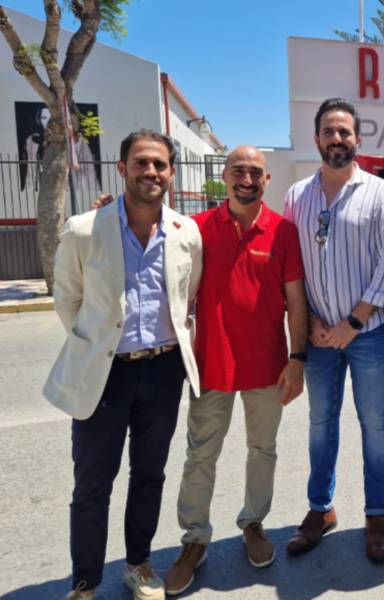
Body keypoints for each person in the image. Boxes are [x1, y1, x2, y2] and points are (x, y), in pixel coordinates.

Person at [44, 130, 203, 600]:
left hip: (164, 371)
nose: (150, 172)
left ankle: (138, 564)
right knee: (92, 484)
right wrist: (99, 345)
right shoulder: (83, 229)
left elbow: (188, 296)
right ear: (122, 168)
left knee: (149, 476)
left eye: (159, 164)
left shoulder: (186, 233)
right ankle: (85, 582)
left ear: (171, 172)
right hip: (105, 372)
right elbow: (67, 299)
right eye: (140, 163)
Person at [161, 146, 308, 593]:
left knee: (262, 449)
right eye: (238, 171)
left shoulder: (283, 231)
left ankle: (253, 523)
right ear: (224, 176)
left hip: (268, 366)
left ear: (267, 180)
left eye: (256, 173)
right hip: (211, 365)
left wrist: (297, 359)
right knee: (200, 455)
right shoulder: (196, 228)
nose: (247, 179)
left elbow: (296, 300)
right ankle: (194, 540)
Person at [283, 98, 384, 563]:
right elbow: (290, 266)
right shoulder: (297, 196)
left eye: (345, 131)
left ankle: (376, 514)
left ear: (357, 138)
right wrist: (312, 322)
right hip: (317, 337)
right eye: (329, 131)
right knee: (320, 423)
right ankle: (321, 509)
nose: (337, 139)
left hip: (367, 332)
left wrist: (352, 322)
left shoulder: (381, 193)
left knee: (375, 423)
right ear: (317, 138)